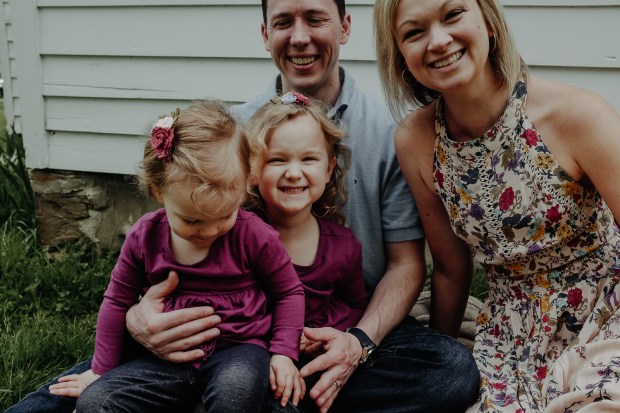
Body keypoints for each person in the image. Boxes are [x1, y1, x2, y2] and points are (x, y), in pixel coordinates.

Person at [6, 1, 479, 412]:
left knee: (450, 372)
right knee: (87, 389)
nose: (299, 37)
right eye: (283, 22)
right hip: (224, 329)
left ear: (345, 27)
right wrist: (138, 320)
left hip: (337, 328)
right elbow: (159, 254)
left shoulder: (390, 131)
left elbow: (405, 265)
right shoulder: (226, 132)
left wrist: (356, 342)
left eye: (315, 18)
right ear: (265, 33)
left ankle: (241, 398)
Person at [373, 0, 620, 411]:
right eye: (414, 32)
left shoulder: (577, 114)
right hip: (512, 330)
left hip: (605, 307)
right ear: (400, 55)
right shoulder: (415, 140)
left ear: (488, 22)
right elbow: (451, 268)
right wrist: (438, 362)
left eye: (453, 15)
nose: (438, 40)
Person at [49, 100, 306, 412]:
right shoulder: (145, 237)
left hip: (238, 352)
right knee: (96, 400)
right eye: (192, 220)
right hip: (164, 359)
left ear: (243, 186)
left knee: (236, 391)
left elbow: (288, 293)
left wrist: (283, 353)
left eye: (224, 216)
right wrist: (100, 370)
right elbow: (116, 301)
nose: (209, 231)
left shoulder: (254, 235)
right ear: (158, 192)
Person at [244, 91, 368, 410]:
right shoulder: (239, 237)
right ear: (253, 170)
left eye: (308, 159)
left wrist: (331, 333)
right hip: (261, 363)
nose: (293, 172)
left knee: (445, 370)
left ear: (328, 169)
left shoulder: (342, 246)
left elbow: (355, 304)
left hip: (321, 361)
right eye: (277, 160)